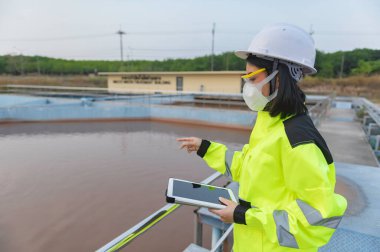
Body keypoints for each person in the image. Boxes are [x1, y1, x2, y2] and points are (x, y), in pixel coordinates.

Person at [176, 23, 347, 252]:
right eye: (245, 77)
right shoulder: (268, 121)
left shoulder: (297, 139)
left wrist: (244, 215)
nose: (247, 86)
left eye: (253, 78)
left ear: (280, 77)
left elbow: (317, 220)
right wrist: (206, 148)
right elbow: (250, 169)